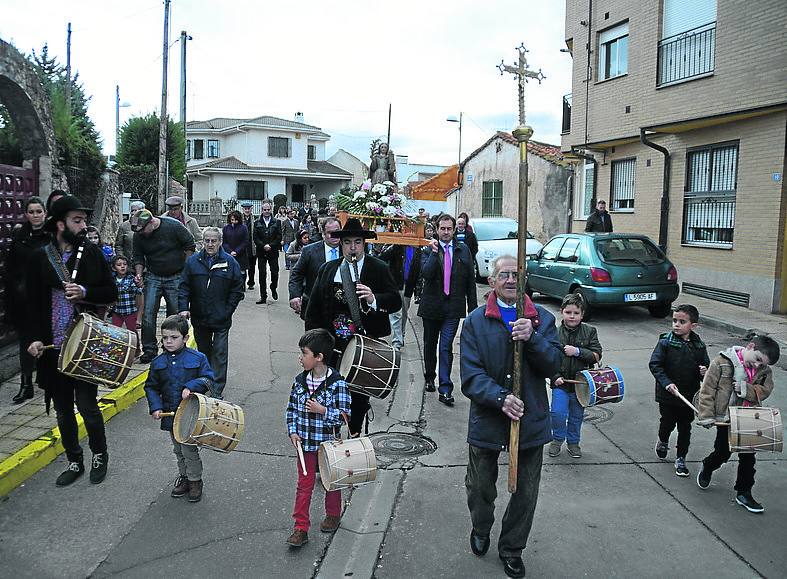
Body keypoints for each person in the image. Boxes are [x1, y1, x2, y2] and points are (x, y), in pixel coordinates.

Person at [460, 255, 561, 579]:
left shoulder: (541, 319)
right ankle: (481, 526)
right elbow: (470, 375)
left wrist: (533, 338)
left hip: (529, 419)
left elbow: (554, 365)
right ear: (491, 281)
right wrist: (500, 398)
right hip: (489, 419)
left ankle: (512, 548)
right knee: (479, 487)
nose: (510, 280)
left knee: (526, 492)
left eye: (516, 274)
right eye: (503, 274)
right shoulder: (476, 321)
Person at [26, 195, 118, 486]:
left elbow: (110, 292)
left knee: (88, 407)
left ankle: (99, 455)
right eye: (77, 220)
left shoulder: (91, 254)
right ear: (59, 223)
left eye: (84, 220)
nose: (83, 225)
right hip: (52, 348)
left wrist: (85, 292)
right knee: (63, 409)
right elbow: (30, 303)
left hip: (84, 344)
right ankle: (74, 459)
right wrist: (33, 338)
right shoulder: (40, 257)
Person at [305, 218, 401, 436]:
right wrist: (311, 346)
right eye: (347, 242)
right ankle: (332, 442)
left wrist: (373, 298)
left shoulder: (378, 268)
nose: (353, 248)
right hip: (333, 346)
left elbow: (395, 301)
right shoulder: (328, 269)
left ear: (364, 244)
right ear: (341, 244)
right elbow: (314, 308)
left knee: (358, 398)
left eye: (357, 242)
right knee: (330, 395)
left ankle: (354, 439)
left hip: (365, 347)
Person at [696, 334, 779, 513]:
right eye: (757, 359)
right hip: (726, 418)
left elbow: (765, 390)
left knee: (748, 458)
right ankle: (708, 465)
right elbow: (707, 389)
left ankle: (744, 492)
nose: (758, 365)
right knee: (722, 452)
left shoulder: (764, 371)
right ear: (750, 346)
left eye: (762, 364)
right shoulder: (722, 361)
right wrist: (706, 415)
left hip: (750, 416)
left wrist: (746, 389)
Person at [285, 328, 352, 548]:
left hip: (328, 446)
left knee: (331, 482)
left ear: (319, 357)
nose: (300, 358)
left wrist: (322, 410)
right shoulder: (300, 381)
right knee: (303, 485)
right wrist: (292, 431)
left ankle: (333, 514)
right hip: (304, 444)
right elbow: (291, 410)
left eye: (304, 353)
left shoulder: (337, 384)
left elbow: (343, 418)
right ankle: (300, 528)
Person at [144, 315, 215, 503]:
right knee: (178, 450)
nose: (168, 341)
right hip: (170, 414)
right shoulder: (158, 362)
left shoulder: (198, 358)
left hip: (191, 414)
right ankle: (184, 477)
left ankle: (195, 480)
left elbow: (208, 379)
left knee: (189, 450)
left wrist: (191, 386)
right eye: (165, 337)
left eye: (174, 337)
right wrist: (156, 407)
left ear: (185, 338)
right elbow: (151, 387)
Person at [178, 227, 244, 398]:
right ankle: (204, 383)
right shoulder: (193, 262)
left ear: (220, 242)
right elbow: (184, 286)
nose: (210, 244)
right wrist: (184, 308)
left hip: (221, 318)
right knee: (204, 353)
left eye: (213, 241)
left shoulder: (230, 263)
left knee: (220, 354)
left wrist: (228, 310)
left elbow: (238, 290)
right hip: (200, 317)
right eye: (207, 240)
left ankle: (216, 390)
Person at [418, 214, 477, 405]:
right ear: (437, 229)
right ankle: (429, 376)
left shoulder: (463, 250)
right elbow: (426, 274)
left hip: (453, 307)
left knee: (445, 346)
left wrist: (473, 309)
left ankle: (445, 388)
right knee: (430, 344)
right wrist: (435, 253)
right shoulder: (428, 250)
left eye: (449, 229)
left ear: (454, 230)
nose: (445, 232)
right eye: (442, 229)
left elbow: (470, 280)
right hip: (431, 307)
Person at [647, 304, 709, 476]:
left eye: (682, 322)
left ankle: (681, 458)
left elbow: (706, 367)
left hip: (688, 395)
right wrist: (666, 383)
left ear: (693, 326)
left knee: (685, 427)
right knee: (667, 422)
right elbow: (655, 365)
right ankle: (663, 440)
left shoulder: (699, 346)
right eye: (674, 320)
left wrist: (704, 371)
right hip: (667, 394)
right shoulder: (665, 342)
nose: (676, 325)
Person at [132, 209, 196, 363]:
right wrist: (139, 273)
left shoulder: (173, 227)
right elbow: (138, 256)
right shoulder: (139, 235)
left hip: (175, 275)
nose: (141, 234)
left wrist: (186, 269)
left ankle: (173, 347)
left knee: (174, 314)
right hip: (153, 275)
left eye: (143, 230)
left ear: (152, 222)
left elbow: (190, 245)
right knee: (148, 314)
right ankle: (149, 350)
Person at [548, 293, 602, 459]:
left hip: (581, 385)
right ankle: (557, 439)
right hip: (560, 383)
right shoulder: (554, 333)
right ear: (562, 312)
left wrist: (577, 352)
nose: (572, 316)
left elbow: (596, 355)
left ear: (582, 314)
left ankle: (573, 442)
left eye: (576, 313)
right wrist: (554, 376)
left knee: (576, 416)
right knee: (557, 413)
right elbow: (548, 358)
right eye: (568, 312)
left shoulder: (590, 331)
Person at [7, 196, 49, 403]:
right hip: (25, 299)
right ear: (26, 215)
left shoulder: (52, 236)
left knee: (48, 340)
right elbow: (11, 269)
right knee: (26, 341)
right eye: (31, 212)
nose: (35, 215)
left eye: (38, 211)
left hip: (47, 298)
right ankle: (26, 384)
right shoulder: (20, 236)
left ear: (45, 213)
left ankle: (47, 379)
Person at [289, 217, 342, 322]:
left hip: (341, 309)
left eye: (337, 232)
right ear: (323, 234)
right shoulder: (309, 251)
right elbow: (297, 274)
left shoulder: (348, 250)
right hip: (315, 306)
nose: (334, 236)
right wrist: (295, 295)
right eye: (330, 232)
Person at [109, 255, 143, 353]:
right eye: (119, 265)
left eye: (124, 264)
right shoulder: (112, 280)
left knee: (132, 330)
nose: (122, 266)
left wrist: (138, 284)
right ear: (113, 268)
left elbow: (138, 292)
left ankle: (136, 349)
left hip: (130, 311)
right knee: (116, 331)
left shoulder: (131, 279)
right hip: (117, 311)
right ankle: (117, 350)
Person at [253, 200, 283, 304]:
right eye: (264, 209)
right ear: (261, 210)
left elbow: (279, 236)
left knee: (275, 273)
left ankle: (273, 287)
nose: (266, 211)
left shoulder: (277, 222)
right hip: (261, 252)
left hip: (273, 251)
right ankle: (263, 296)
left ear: (271, 210)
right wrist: (263, 245)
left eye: (268, 209)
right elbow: (255, 238)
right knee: (262, 274)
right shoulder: (257, 222)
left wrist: (271, 245)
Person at [222, 210, 249, 276]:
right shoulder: (226, 228)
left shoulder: (243, 228)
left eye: (235, 220)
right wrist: (230, 251)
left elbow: (245, 241)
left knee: (241, 274)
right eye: (232, 219)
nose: (234, 221)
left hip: (241, 255)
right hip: (229, 255)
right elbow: (224, 242)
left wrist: (237, 251)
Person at [240, 201, 257, 290]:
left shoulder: (255, 219)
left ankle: (251, 282)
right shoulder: (239, 219)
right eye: (245, 209)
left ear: (251, 209)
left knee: (252, 266)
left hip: (252, 245)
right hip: (242, 246)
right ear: (243, 209)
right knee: (242, 267)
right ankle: (242, 284)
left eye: (248, 208)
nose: (247, 210)